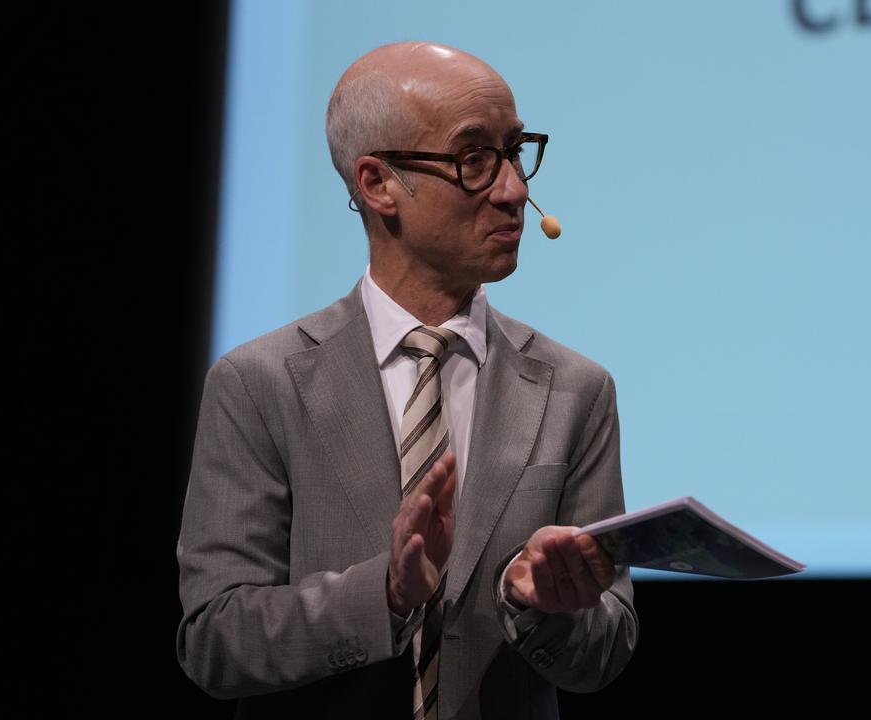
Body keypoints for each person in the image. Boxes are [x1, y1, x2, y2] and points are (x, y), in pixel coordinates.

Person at [175, 41, 637, 719]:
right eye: (475, 159)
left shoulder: (575, 390)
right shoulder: (259, 384)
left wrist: (535, 603)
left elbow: (606, 649)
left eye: (516, 151)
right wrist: (385, 594)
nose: (514, 190)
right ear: (377, 184)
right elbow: (215, 641)